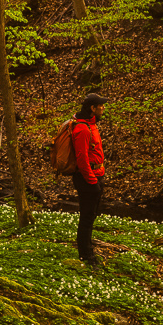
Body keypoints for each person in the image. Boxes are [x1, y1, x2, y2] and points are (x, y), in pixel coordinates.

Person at [71, 94, 108, 268]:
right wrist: (93, 181)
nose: (103, 108)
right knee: (86, 217)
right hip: (87, 178)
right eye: (101, 105)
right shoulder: (82, 129)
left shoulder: (91, 125)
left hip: (95, 175)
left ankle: (88, 249)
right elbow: (82, 159)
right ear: (92, 108)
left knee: (91, 215)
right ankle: (86, 255)